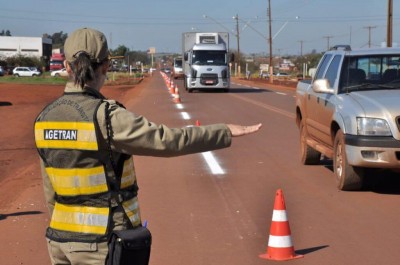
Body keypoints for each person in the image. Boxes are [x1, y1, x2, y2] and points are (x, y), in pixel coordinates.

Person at [34, 27, 262, 265]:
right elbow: (167, 140)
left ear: (67, 67)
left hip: (59, 241)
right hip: (100, 244)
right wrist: (223, 131)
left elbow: (51, 192)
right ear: (105, 66)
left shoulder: (44, 118)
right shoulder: (107, 117)